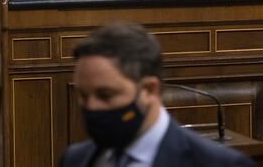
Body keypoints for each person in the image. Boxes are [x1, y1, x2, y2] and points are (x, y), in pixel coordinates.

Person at [60, 23, 255, 167]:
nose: (92, 107)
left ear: (149, 90)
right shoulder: (75, 159)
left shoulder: (219, 164)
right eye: (84, 96)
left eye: (106, 95)